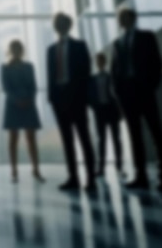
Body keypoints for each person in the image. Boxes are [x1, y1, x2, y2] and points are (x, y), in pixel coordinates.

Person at [111, 8, 162, 191]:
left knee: (155, 131)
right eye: (121, 17)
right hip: (127, 94)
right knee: (135, 136)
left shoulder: (147, 36)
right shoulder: (117, 42)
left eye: (126, 16)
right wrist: (118, 93)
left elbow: (157, 63)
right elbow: (115, 71)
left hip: (144, 90)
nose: (123, 20)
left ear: (133, 18)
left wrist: (150, 86)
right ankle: (141, 175)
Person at [47, 12, 96, 191]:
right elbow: (50, 77)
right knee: (67, 141)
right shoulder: (51, 49)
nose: (59, 25)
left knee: (84, 138)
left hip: (76, 98)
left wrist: (83, 96)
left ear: (69, 25)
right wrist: (52, 99)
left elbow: (86, 72)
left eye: (62, 22)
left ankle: (91, 178)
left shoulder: (80, 45)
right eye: (56, 23)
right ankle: (73, 178)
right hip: (58, 100)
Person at [1, 40, 44, 184]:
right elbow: (6, 88)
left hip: (28, 104)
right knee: (13, 138)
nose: (16, 50)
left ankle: (36, 168)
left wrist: (29, 99)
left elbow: (33, 86)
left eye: (18, 48)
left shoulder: (29, 66)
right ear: (10, 50)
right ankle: (14, 170)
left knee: (31, 138)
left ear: (22, 50)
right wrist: (17, 101)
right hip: (13, 105)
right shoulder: (5, 67)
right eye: (14, 48)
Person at [88, 52, 124, 178]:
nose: (100, 62)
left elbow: (117, 95)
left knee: (116, 139)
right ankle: (101, 168)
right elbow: (90, 96)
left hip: (111, 110)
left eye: (101, 60)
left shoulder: (111, 77)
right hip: (100, 111)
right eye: (98, 60)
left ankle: (119, 167)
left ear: (105, 61)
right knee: (101, 140)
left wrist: (120, 111)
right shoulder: (92, 79)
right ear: (96, 63)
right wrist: (94, 107)